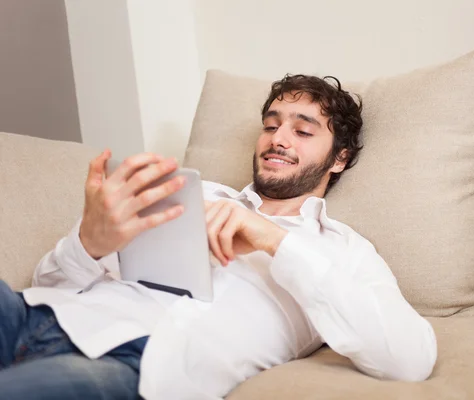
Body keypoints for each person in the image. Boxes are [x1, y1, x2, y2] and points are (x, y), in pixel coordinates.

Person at [0, 74, 437, 399]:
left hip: (132, 364)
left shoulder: (342, 251)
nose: (278, 139)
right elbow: (47, 285)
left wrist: (273, 239)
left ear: (339, 158)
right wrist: (89, 242)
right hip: (33, 314)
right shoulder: (191, 193)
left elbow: (410, 359)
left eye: (302, 130)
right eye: (271, 125)